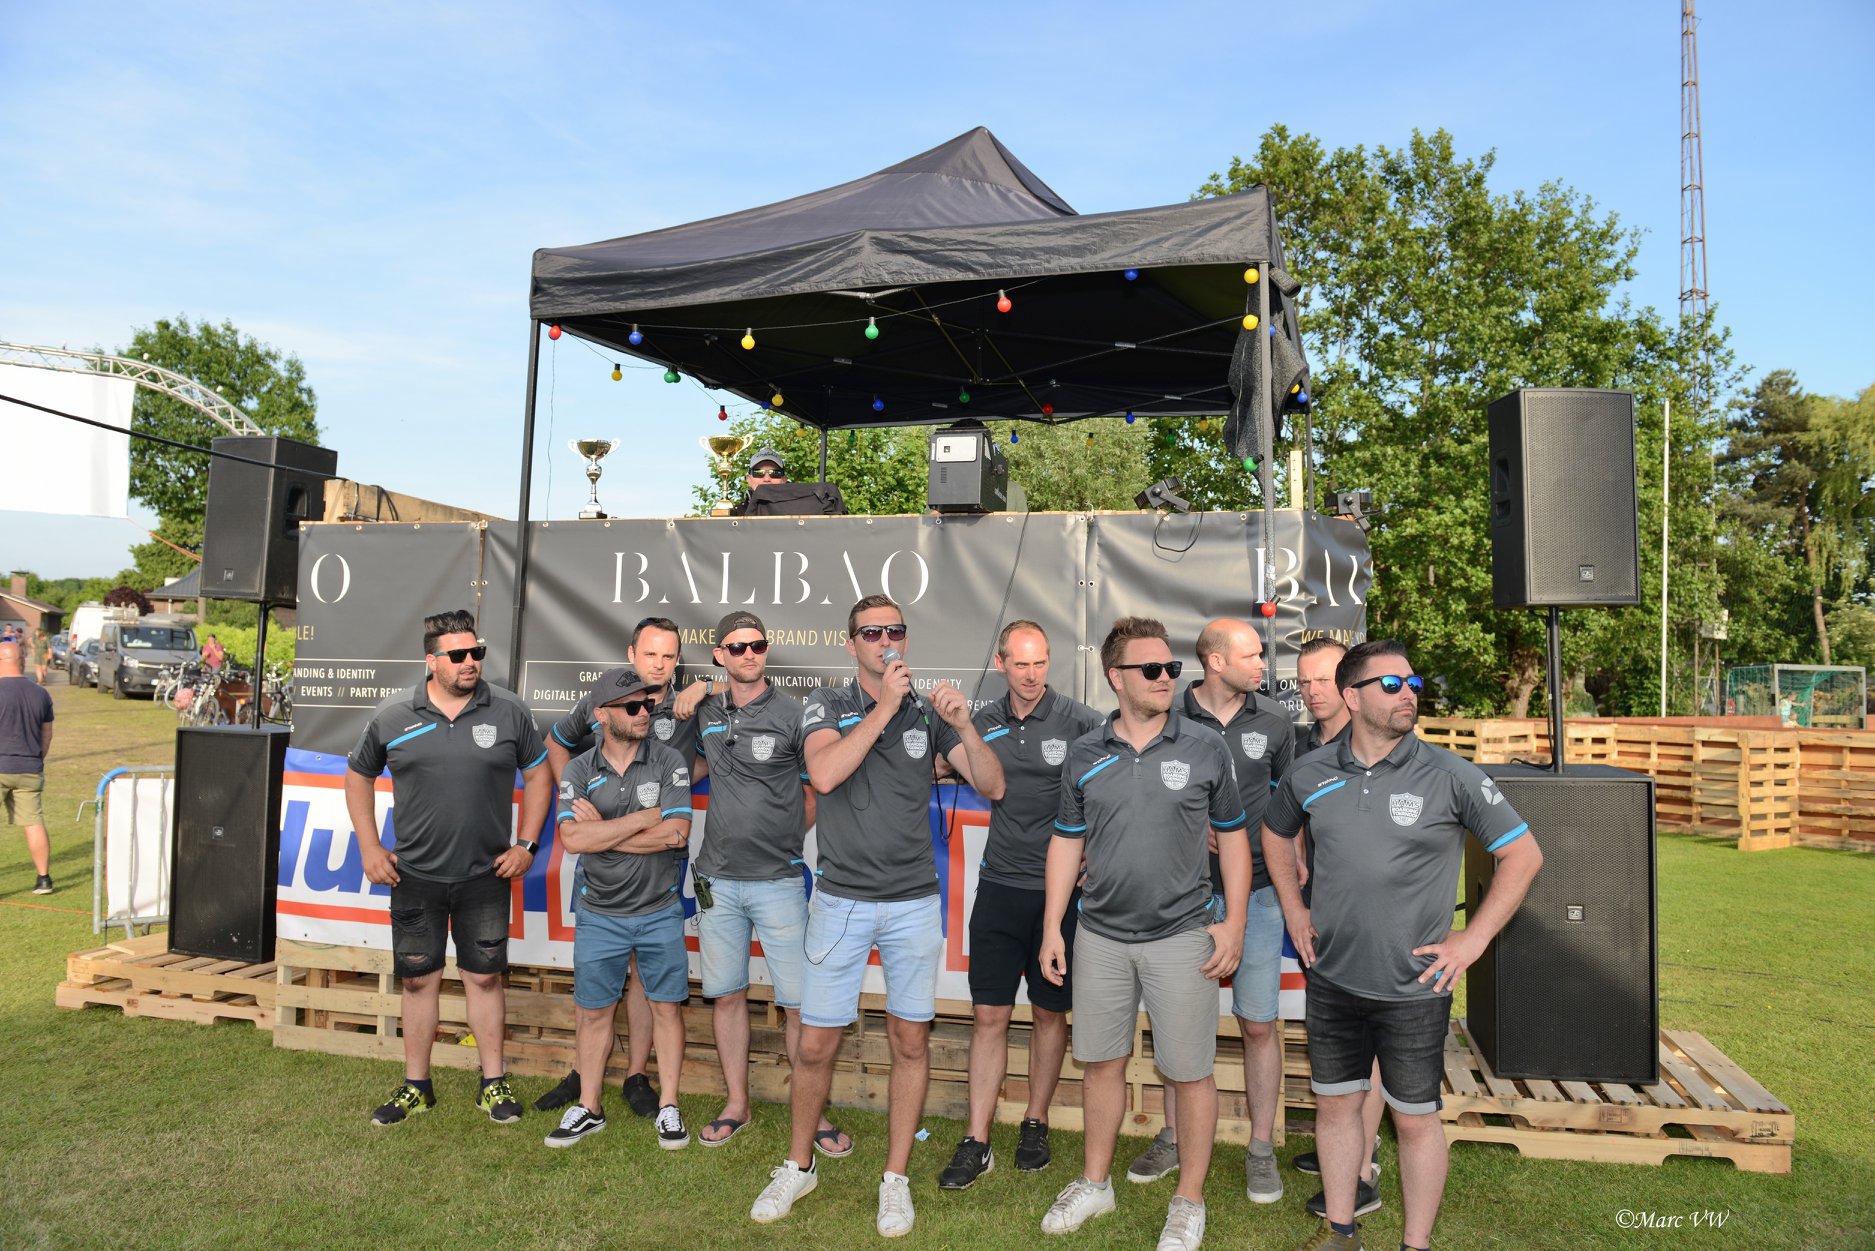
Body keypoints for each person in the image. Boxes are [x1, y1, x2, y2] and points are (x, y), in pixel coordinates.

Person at [1263, 640, 1543, 1251]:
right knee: (1336, 1108)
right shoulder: (1310, 772)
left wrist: (1473, 939)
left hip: (1414, 987)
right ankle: (1341, 1232)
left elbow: (1523, 855)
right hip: (1332, 978)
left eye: (1412, 683)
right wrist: (1294, 909)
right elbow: (1275, 832)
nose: (1408, 693)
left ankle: (1415, 1245)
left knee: (1415, 1120)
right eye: (1391, 684)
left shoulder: (1450, 774)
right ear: (1352, 696)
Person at [750, 594, 1005, 1238]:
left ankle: (895, 1179)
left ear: (906, 639)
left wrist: (965, 727)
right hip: (841, 900)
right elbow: (824, 774)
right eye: (871, 633)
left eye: (895, 630)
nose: (885, 641)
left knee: (909, 1041)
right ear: (851, 644)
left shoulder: (926, 711)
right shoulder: (828, 703)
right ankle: (798, 1164)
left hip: (913, 901)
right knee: (816, 1042)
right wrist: (885, 707)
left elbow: (993, 785)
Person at [1038, 616, 1249, 1251]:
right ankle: (1095, 1183)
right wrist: (1053, 928)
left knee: (1190, 1072)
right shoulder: (1085, 753)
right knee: (1101, 1063)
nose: (1166, 678)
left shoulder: (1205, 747)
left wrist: (1234, 922)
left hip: (1183, 935)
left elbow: (1234, 840)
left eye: (1171, 668)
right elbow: (1065, 843)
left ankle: (1189, 1201)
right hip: (1099, 935)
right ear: (1116, 677)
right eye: (1151, 669)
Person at [345, 609, 552, 1128]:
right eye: (457, 655)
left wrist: (526, 844)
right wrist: (370, 847)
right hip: (414, 876)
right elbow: (358, 775)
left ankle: (493, 1083)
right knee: (419, 981)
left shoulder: (508, 709)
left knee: (484, 978)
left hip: (486, 876)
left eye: (476, 652)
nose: (470, 662)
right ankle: (417, 1086)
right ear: (430, 661)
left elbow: (539, 775)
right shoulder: (393, 715)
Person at [1127, 617, 1295, 1203]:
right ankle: (1174, 1136)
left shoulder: (1276, 722)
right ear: (1216, 662)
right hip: (1184, 894)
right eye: (1252, 655)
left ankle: (1260, 1148)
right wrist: (1197, 828)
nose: (1263, 664)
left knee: (1258, 1024)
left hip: (1260, 893)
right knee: (1178, 1025)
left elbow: (1289, 804)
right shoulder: (1167, 714)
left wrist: (1295, 866)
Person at [668, 611, 848, 1153]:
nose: (749, 654)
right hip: (716, 880)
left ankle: (814, 1114)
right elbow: (693, 767)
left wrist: (783, 837)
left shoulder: (793, 713)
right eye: (737, 647)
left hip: (778, 882)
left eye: (758, 645)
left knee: (799, 1005)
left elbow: (815, 791)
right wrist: (698, 689)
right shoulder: (707, 710)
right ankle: (737, 1104)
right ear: (719, 654)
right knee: (727, 997)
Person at [937, 621, 1102, 1190]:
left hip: (1061, 895)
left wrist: (1097, 852)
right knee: (989, 1015)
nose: (1032, 675)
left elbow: (1116, 791)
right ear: (1002, 663)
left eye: (1040, 663)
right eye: (1021, 664)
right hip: (1000, 886)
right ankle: (976, 1138)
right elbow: (984, 783)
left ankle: (1036, 1121)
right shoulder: (981, 721)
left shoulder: (1083, 721)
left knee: (1050, 1013)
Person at [538, 616, 700, 1120]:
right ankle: (585, 1083)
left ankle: (636, 1076)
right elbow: (556, 747)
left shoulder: (690, 705)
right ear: (632, 653)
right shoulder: (597, 705)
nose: (659, 664)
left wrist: (607, 831)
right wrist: (579, 798)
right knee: (597, 993)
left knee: (649, 985)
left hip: (658, 879)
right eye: (651, 653)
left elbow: (676, 829)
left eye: (669, 656)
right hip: (603, 887)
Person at [1290, 637, 1386, 1221]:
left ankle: (1362, 1168)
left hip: (1370, 919)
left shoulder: (1377, 744)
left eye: (1322, 679)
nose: (1311, 691)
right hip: (1319, 911)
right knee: (1337, 1040)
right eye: (1303, 681)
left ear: (1350, 686)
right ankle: (1341, 1145)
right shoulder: (1303, 745)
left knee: (1368, 1044)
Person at [0, 640, 55, 895]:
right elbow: (47, 735)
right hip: (30, 767)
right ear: (21, 661)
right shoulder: (40, 693)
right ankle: (43, 879)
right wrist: (37, 758)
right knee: (33, 822)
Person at [728, 447, 788, 516]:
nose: (767, 479)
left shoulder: (795, 509)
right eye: (759, 473)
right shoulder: (736, 514)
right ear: (748, 479)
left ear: (784, 480)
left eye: (775, 473)